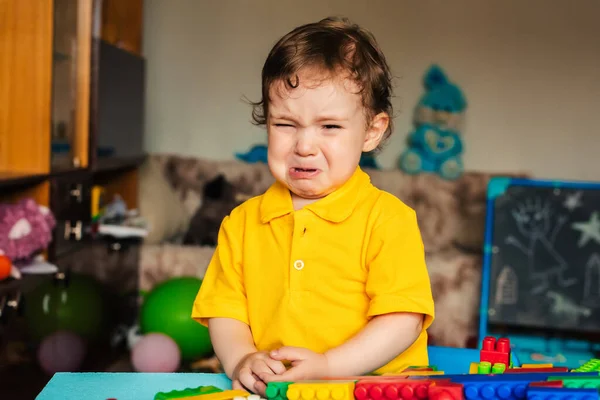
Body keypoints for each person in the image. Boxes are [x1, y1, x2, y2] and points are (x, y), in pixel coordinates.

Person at [191, 16, 434, 395]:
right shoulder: (241, 222)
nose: (304, 146)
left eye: (330, 127)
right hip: (278, 390)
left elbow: (403, 320)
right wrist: (240, 358)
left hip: (373, 389)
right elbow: (226, 311)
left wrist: (328, 366)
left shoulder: (388, 220)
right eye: (285, 125)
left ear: (371, 131)